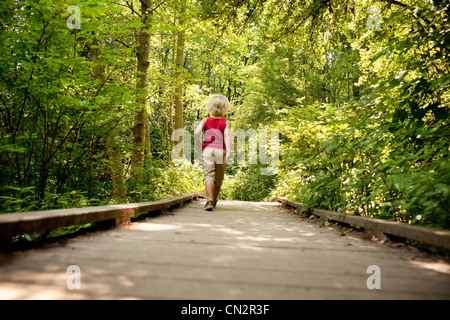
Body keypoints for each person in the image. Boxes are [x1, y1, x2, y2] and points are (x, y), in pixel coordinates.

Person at [194, 95, 232, 211]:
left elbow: (196, 133)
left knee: (208, 175)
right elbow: (227, 136)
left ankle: (209, 200)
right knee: (218, 177)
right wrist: (229, 151)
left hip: (208, 150)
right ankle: (214, 200)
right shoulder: (226, 122)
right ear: (225, 108)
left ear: (210, 107)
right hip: (221, 150)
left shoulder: (205, 120)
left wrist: (198, 142)